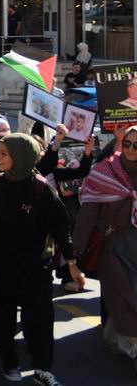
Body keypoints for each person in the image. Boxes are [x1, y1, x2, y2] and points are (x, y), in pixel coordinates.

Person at [0, 133, 83, 385]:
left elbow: (61, 230)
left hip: (34, 267)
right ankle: (9, 361)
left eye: (4, 153)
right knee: (1, 317)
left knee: (38, 319)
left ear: (20, 156)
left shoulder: (41, 189)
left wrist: (72, 264)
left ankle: (42, 368)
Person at [73, 125, 137, 362]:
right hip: (114, 248)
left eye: (136, 145)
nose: (130, 149)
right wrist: (75, 253)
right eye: (127, 144)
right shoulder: (106, 171)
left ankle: (114, 337)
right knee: (126, 296)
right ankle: (132, 346)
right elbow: (87, 214)